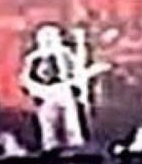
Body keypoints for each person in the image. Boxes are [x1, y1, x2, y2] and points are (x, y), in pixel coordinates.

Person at [20, 23, 97, 151]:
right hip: (45, 92)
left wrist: (74, 81)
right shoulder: (33, 58)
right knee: (47, 123)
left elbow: (77, 67)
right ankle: (50, 146)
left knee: (71, 120)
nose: (48, 40)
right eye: (45, 37)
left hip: (63, 89)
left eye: (52, 36)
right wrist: (35, 90)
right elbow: (26, 77)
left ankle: (75, 145)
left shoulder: (65, 54)